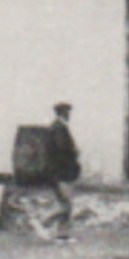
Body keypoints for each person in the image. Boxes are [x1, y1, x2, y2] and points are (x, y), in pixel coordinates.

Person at [45, 103, 81, 242]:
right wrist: (74, 154)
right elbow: (62, 151)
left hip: (60, 171)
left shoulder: (56, 127)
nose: (69, 115)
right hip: (62, 172)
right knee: (66, 204)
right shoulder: (59, 128)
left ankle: (62, 235)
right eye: (67, 112)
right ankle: (44, 222)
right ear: (62, 113)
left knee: (65, 204)